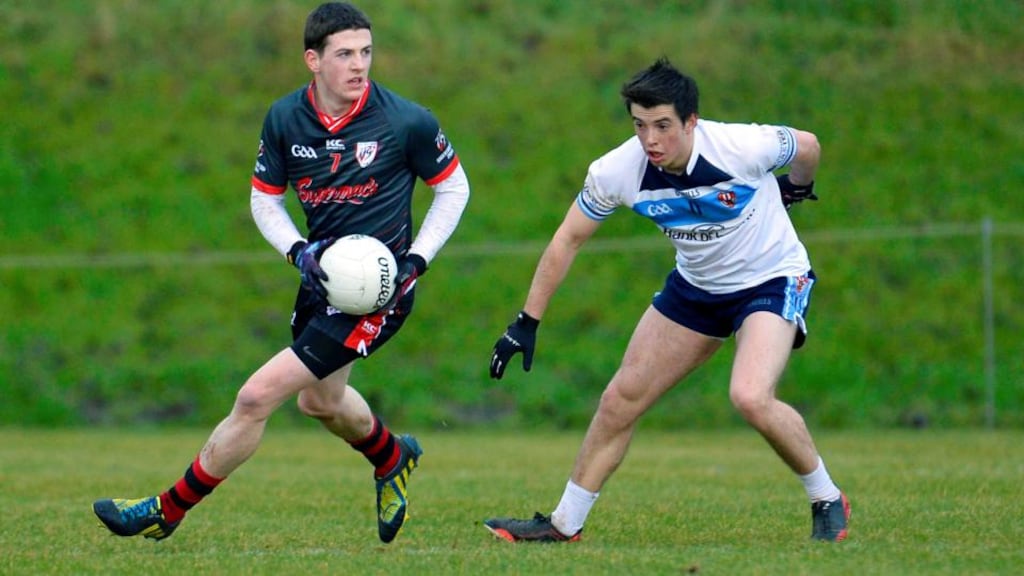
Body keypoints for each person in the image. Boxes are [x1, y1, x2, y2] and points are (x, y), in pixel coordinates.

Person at [93, 2, 469, 544]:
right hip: (322, 283)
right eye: (344, 54)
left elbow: (454, 188)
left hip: (377, 295)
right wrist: (298, 251)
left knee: (255, 397)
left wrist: (416, 261)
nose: (359, 64)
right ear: (313, 60)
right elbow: (264, 200)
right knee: (319, 400)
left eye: (365, 51)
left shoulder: (405, 120)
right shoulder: (285, 118)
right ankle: (393, 457)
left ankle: (166, 509)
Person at [484, 57, 848, 544]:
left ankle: (826, 497)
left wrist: (798, 188)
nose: (650, 140)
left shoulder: (741, 147)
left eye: (662, 126)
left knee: (749, 396)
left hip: (771, 278)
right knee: (619, 400)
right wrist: (527, 321)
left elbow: (808, 145)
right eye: (640, 125)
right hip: (696, 288)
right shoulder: (618, 171)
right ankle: (563, 524)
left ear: (691, 121)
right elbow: (567, 239)